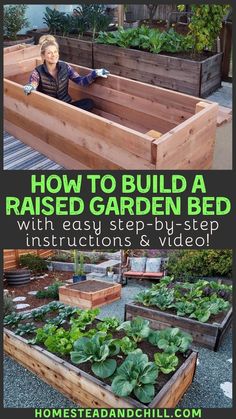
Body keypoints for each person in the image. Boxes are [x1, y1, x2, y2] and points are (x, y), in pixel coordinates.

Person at [23, 35, 110, 111]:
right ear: (43, 56)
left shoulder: (65, 67)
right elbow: (33, 83)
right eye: (49, 53)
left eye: (55, 52)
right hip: (50, 108)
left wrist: (94, 74)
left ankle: (69, 118)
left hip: (66, 106)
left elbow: (81, 81)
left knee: (89, 103)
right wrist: (30, 87)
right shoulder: (37, 71)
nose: (53, 55)